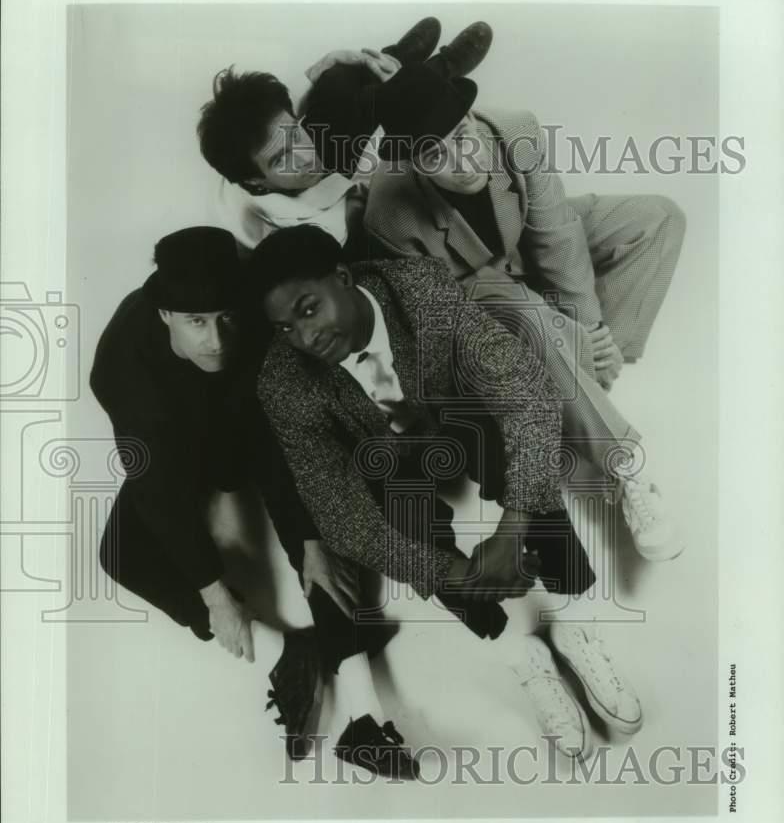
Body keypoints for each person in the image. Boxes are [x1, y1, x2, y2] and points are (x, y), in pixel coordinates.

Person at [249, 224, 645, 764]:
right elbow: (342, 517)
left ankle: (575, 622)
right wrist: (456, 574)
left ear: (342, 278)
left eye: (309, 309)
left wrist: (513, 528)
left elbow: (524, 392)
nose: (304, 336)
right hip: (385, 461)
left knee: (510, 438)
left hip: (454, 418)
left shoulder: (418, 289)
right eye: (286, 327)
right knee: (400, 519)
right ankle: (517, 652)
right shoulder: (284, 380)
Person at [89, 226, 393, 765]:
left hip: (257, 418)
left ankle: (361, 707)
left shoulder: (255, 318)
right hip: (177, 444)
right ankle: (286, 654)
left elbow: (287, 446)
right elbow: (157, 488)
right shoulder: (122, 365)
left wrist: (307, 539)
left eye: (225, 317)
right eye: (196, 323)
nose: (215, 340)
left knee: (318, 523)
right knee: (120, 553)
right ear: (164, 316)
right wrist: (211, 591)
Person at [363, 63, 688, 562]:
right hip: (475, 293)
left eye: (463, 137)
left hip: (525, 252)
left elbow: (556, 233)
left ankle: (586, 377)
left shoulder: (516, 130)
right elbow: (450, 318)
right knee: (528, 314)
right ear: (412, 163)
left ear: (473, 117)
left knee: (658, 217)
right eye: (435, 154)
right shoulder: (389, 213)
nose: (464, 162)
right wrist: (555, 324)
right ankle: (621, 464)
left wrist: (592, 328)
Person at [196, 17, 494, 257]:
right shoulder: (300, 232)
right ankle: (441, 71)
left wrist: (331, 67)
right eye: (281, 159)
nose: (304, 154)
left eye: (295, 135)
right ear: (255, 182)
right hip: (356, 193)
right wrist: (413, 97)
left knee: (335, 88)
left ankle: (390, 60)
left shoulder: (260, 152)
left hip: (334, 173)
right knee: (387, 123)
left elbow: (286, 123)